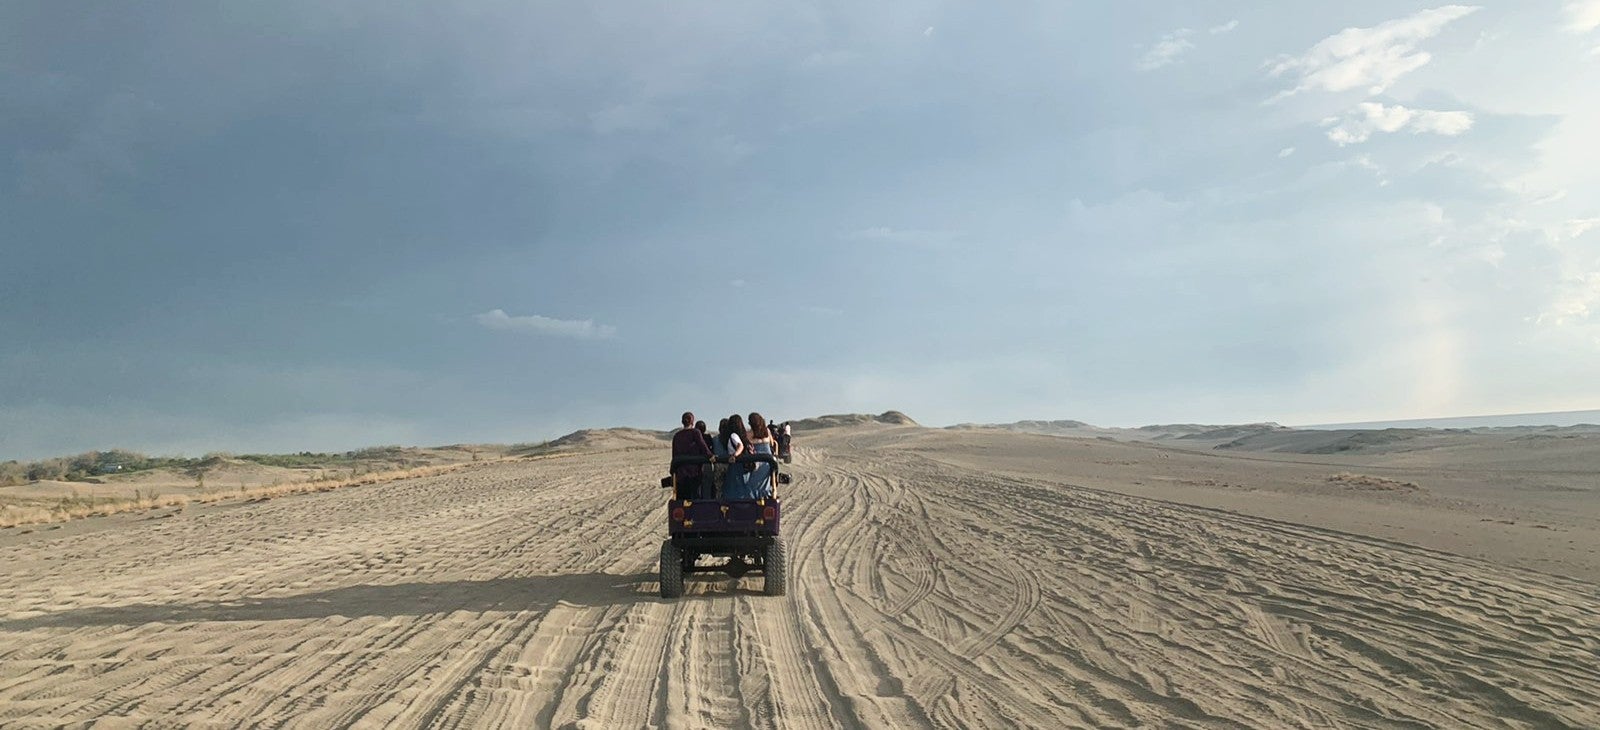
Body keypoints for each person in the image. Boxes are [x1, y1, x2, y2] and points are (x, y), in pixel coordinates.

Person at [670, 411, 712, 500]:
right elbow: (703, 446)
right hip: (694, 474)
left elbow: (674, 455)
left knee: (682, 501)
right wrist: (711, 456)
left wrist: (673, 471)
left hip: (680, 475)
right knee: (695, 500)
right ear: (692, 421)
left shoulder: (677, 436)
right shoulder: (695, 432)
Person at [744, 412, 778, 498]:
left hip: (756, 462)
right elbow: (772, 444)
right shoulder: (767, 431)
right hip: (767, 462)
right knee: (766, 482)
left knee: (752, 484)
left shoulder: (748, 434)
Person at [719, 414, 750, 498]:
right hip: (742, 466)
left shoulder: (733, 435)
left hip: (735, 465)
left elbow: (740, 445)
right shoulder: (743, 436)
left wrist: (734, 455)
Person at [707, 418, 731, 498]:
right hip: (730, 464)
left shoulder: (715, 439)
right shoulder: (731, 439)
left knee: (719, 488)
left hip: (719, 465)